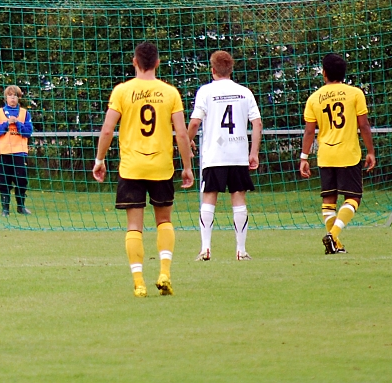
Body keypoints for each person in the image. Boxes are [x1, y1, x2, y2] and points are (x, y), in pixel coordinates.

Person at [92, 42, 194, 298]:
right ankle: (165, 273)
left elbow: (107, 129)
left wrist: (100, 159)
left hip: (131, 168)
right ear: (157, 63)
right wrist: (187, 166)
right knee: (164, 221)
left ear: (134, 62)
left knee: (134, 227)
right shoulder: (170, 92)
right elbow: (181, 133)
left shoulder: (123, 91)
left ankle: (139, 283)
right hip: (161, 166)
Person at [187, 50, 263, 262]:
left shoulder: (205, 91)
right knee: (238, 198)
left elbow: (195, 122)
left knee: (209, 198)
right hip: (238, 155)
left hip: (214, 155)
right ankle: (241, 250)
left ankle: (205, 249)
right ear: (231, 70)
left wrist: (187, 140)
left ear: (212, 70)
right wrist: (253, 152)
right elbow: (257, 123)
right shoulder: (244, 92)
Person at [300, 53, 376, 254]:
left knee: (328, 200)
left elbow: (309, 131)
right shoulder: (355, 94)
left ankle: (336, 245)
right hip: (348, 154)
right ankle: (333, 235)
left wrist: (304, 157)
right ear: (343, 73)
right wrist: (371, 151)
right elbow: (364, 125)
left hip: (325, 155)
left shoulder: (314, 98)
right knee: (353, 198)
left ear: (324, 73)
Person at [0, 85, 34, 216]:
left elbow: (28, 132)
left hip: (19, 152)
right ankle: (5, 209)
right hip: (2, 152)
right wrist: (6, 124)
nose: (12, 98)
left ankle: (21, 206)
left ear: (18, 98)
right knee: (4, 182)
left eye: (15, 95)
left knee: (21, 180)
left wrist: (17, 124)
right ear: (6, 98)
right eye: (10, 95)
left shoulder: (24, 113)